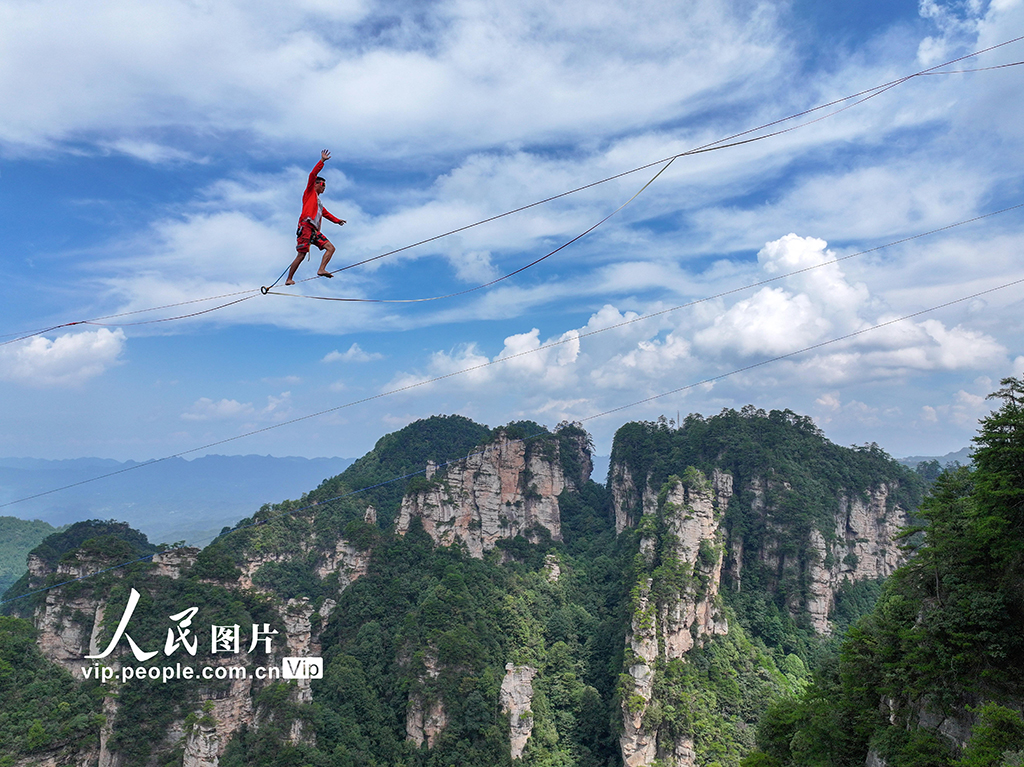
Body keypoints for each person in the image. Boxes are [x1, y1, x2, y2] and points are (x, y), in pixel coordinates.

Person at [286, 149, 347, 285]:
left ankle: (321, 269)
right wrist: (322, 161)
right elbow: (312, 174)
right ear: (316, 184)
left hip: (314, 231)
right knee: (301, 255)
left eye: (325, 186)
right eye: (322, 185)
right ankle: (289, 279)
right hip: (305, 227)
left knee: (330, 248)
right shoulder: (309, 193)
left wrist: (337, 221)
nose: (324, 187)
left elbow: (326, 213)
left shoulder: (319, 202)